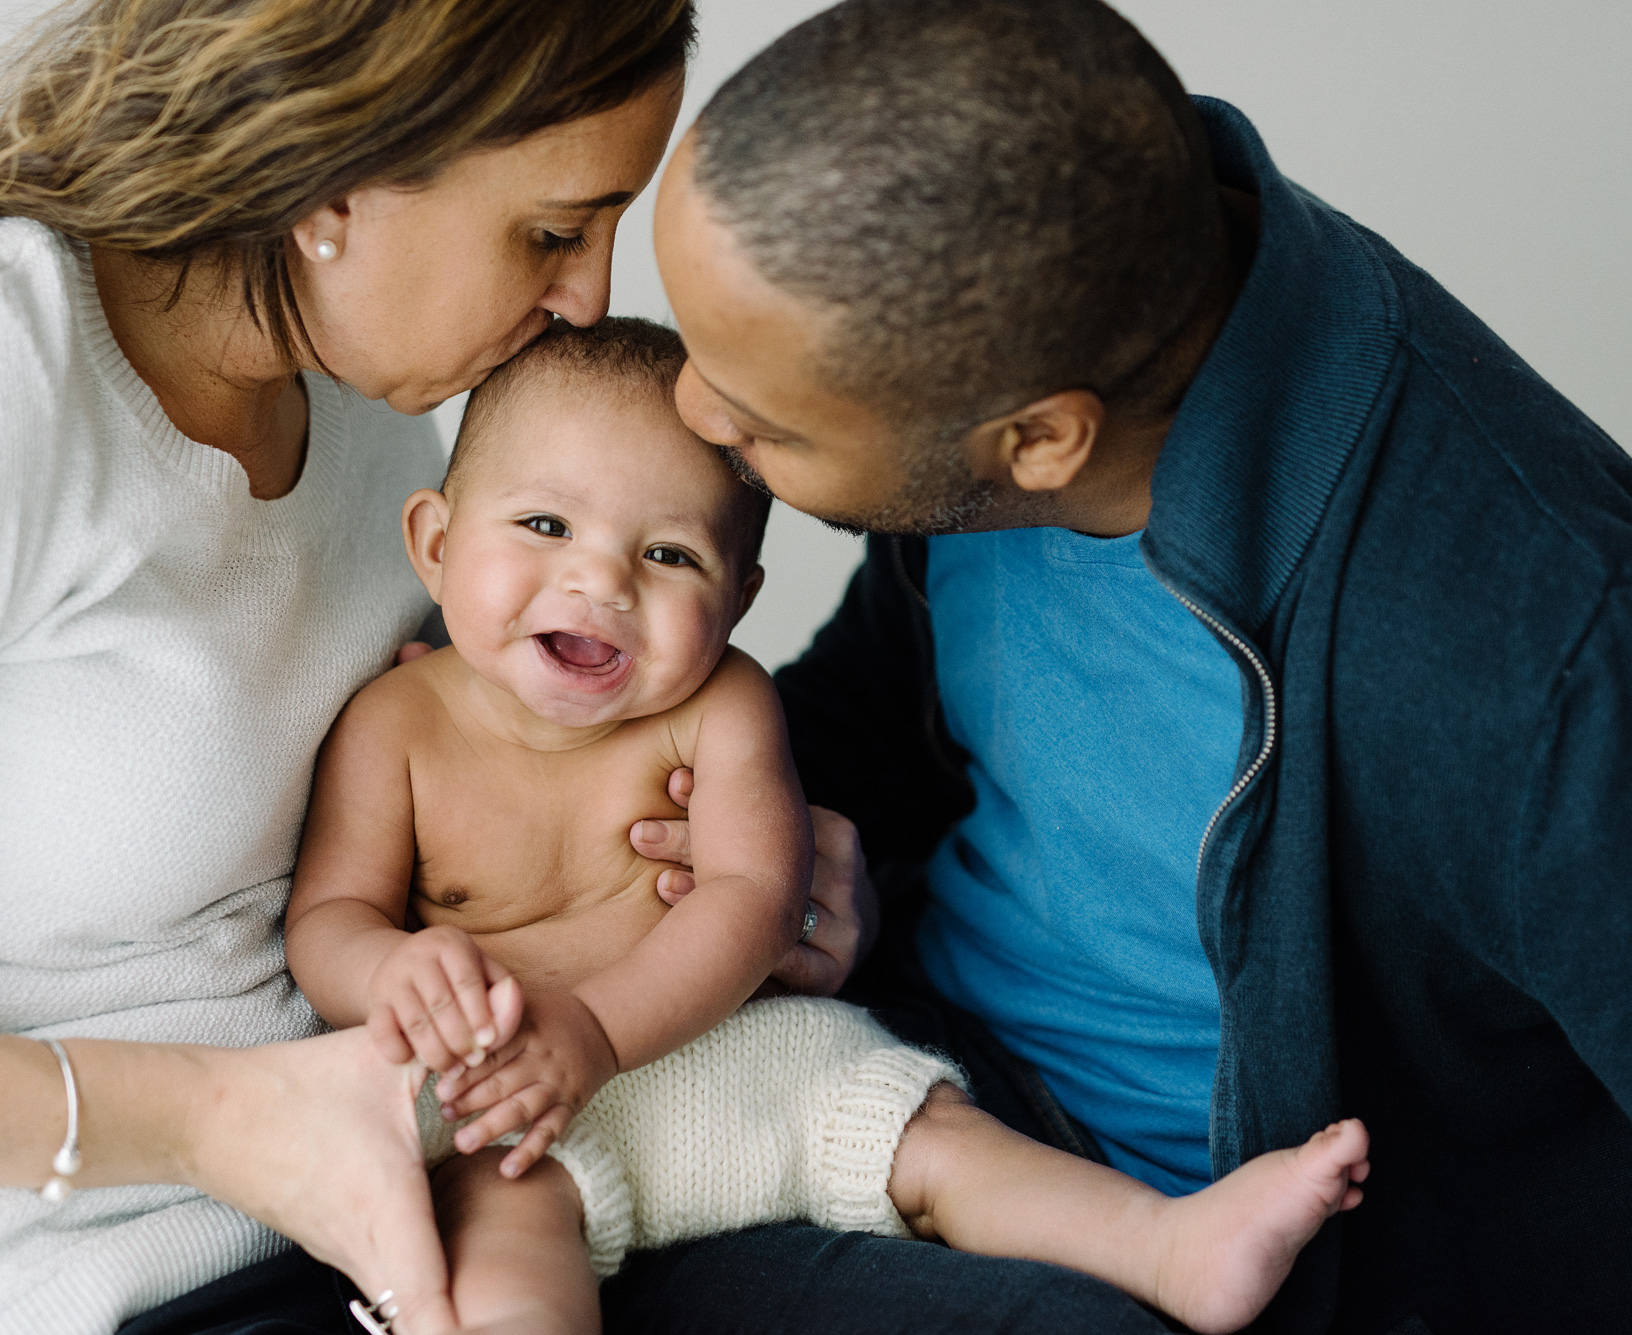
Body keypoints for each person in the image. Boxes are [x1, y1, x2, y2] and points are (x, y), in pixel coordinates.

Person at [0, 1, 717, 1330]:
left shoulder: (381, 447)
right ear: (344, 169)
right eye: (553, 231)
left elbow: (421, 841)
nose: (588, 301)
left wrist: (711, 856)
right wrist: (219, 1119)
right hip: (12, 1288)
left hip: (374, 1219)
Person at [624, 0, 1632, 1332]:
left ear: (1039, 439)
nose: (692, 411)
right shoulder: (1034, 326)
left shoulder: (1538, 653)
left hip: (1230, 1252)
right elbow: (868, 726)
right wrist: (785, 854)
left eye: (761, 418)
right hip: (903, 1083)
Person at [285, 316, 1373, 1335]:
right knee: (491, 1241)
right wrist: (391, 974)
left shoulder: (719, 708)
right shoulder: (397, 724)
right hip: (508, 1102)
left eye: (667, 554)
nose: (598, 578)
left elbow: (755, 900)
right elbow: (331, 915)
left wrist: (602, 1036)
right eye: (542, 524)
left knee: (927, 1130)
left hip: (731, 1059)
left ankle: (1168, 1243)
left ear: (739, 596)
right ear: (432, 542)